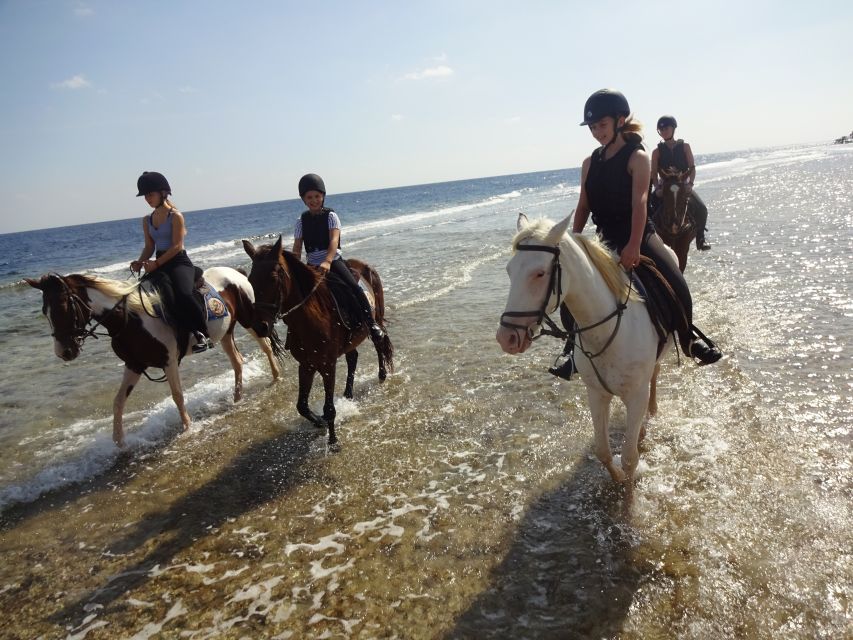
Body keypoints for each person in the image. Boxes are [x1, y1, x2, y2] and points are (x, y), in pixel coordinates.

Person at [549, 89, 721, 380]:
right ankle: (571, 348)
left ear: (620, 120)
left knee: (676, 282)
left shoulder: (637, 157)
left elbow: (640, 202)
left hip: (639, 236)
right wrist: (571, 242)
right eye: (592, 127)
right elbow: (583, 206)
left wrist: (633, 245)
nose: (596, 132)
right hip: (603, 240)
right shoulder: (589, 163)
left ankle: (688, 337)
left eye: (601, 125)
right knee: (571, 288)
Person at [292, 173, 384, 345]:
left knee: (353, 288)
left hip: (333, 261)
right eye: (309, 197)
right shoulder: (300, 221)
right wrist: (294, 265)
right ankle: (294, 335)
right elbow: (297, 247)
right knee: (296, 297)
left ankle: (371, 325)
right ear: (303, 199)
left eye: (317, 196)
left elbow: (334, 241)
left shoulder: (331, 216)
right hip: (312, 264)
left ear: (323, 196)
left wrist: (327, 261)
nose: (314, 200)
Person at [130, 171, 212, 353]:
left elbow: (176, 246)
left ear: (163, 193)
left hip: (178, 262)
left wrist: (156, 264)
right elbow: (149, 246)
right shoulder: (147, 220)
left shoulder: (175, 216)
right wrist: (140, 261)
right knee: (142, 295)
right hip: (159, 262)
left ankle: (202, 334)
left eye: (150, 194)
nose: (147, 199)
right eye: (145, 196)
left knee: (183, 293)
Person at [650, 115, 711, 250]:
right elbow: (653, 173)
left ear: (673, 129)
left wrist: (690, 185)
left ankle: (700, 239)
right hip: (664, 187)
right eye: (661, 129)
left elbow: (692, 168)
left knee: (702, 209)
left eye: (666, 128)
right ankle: (646, 239)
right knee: (647, 209)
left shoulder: (685, 147)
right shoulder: (656, 152)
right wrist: (657, 187)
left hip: (682, 186)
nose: (664, 131)